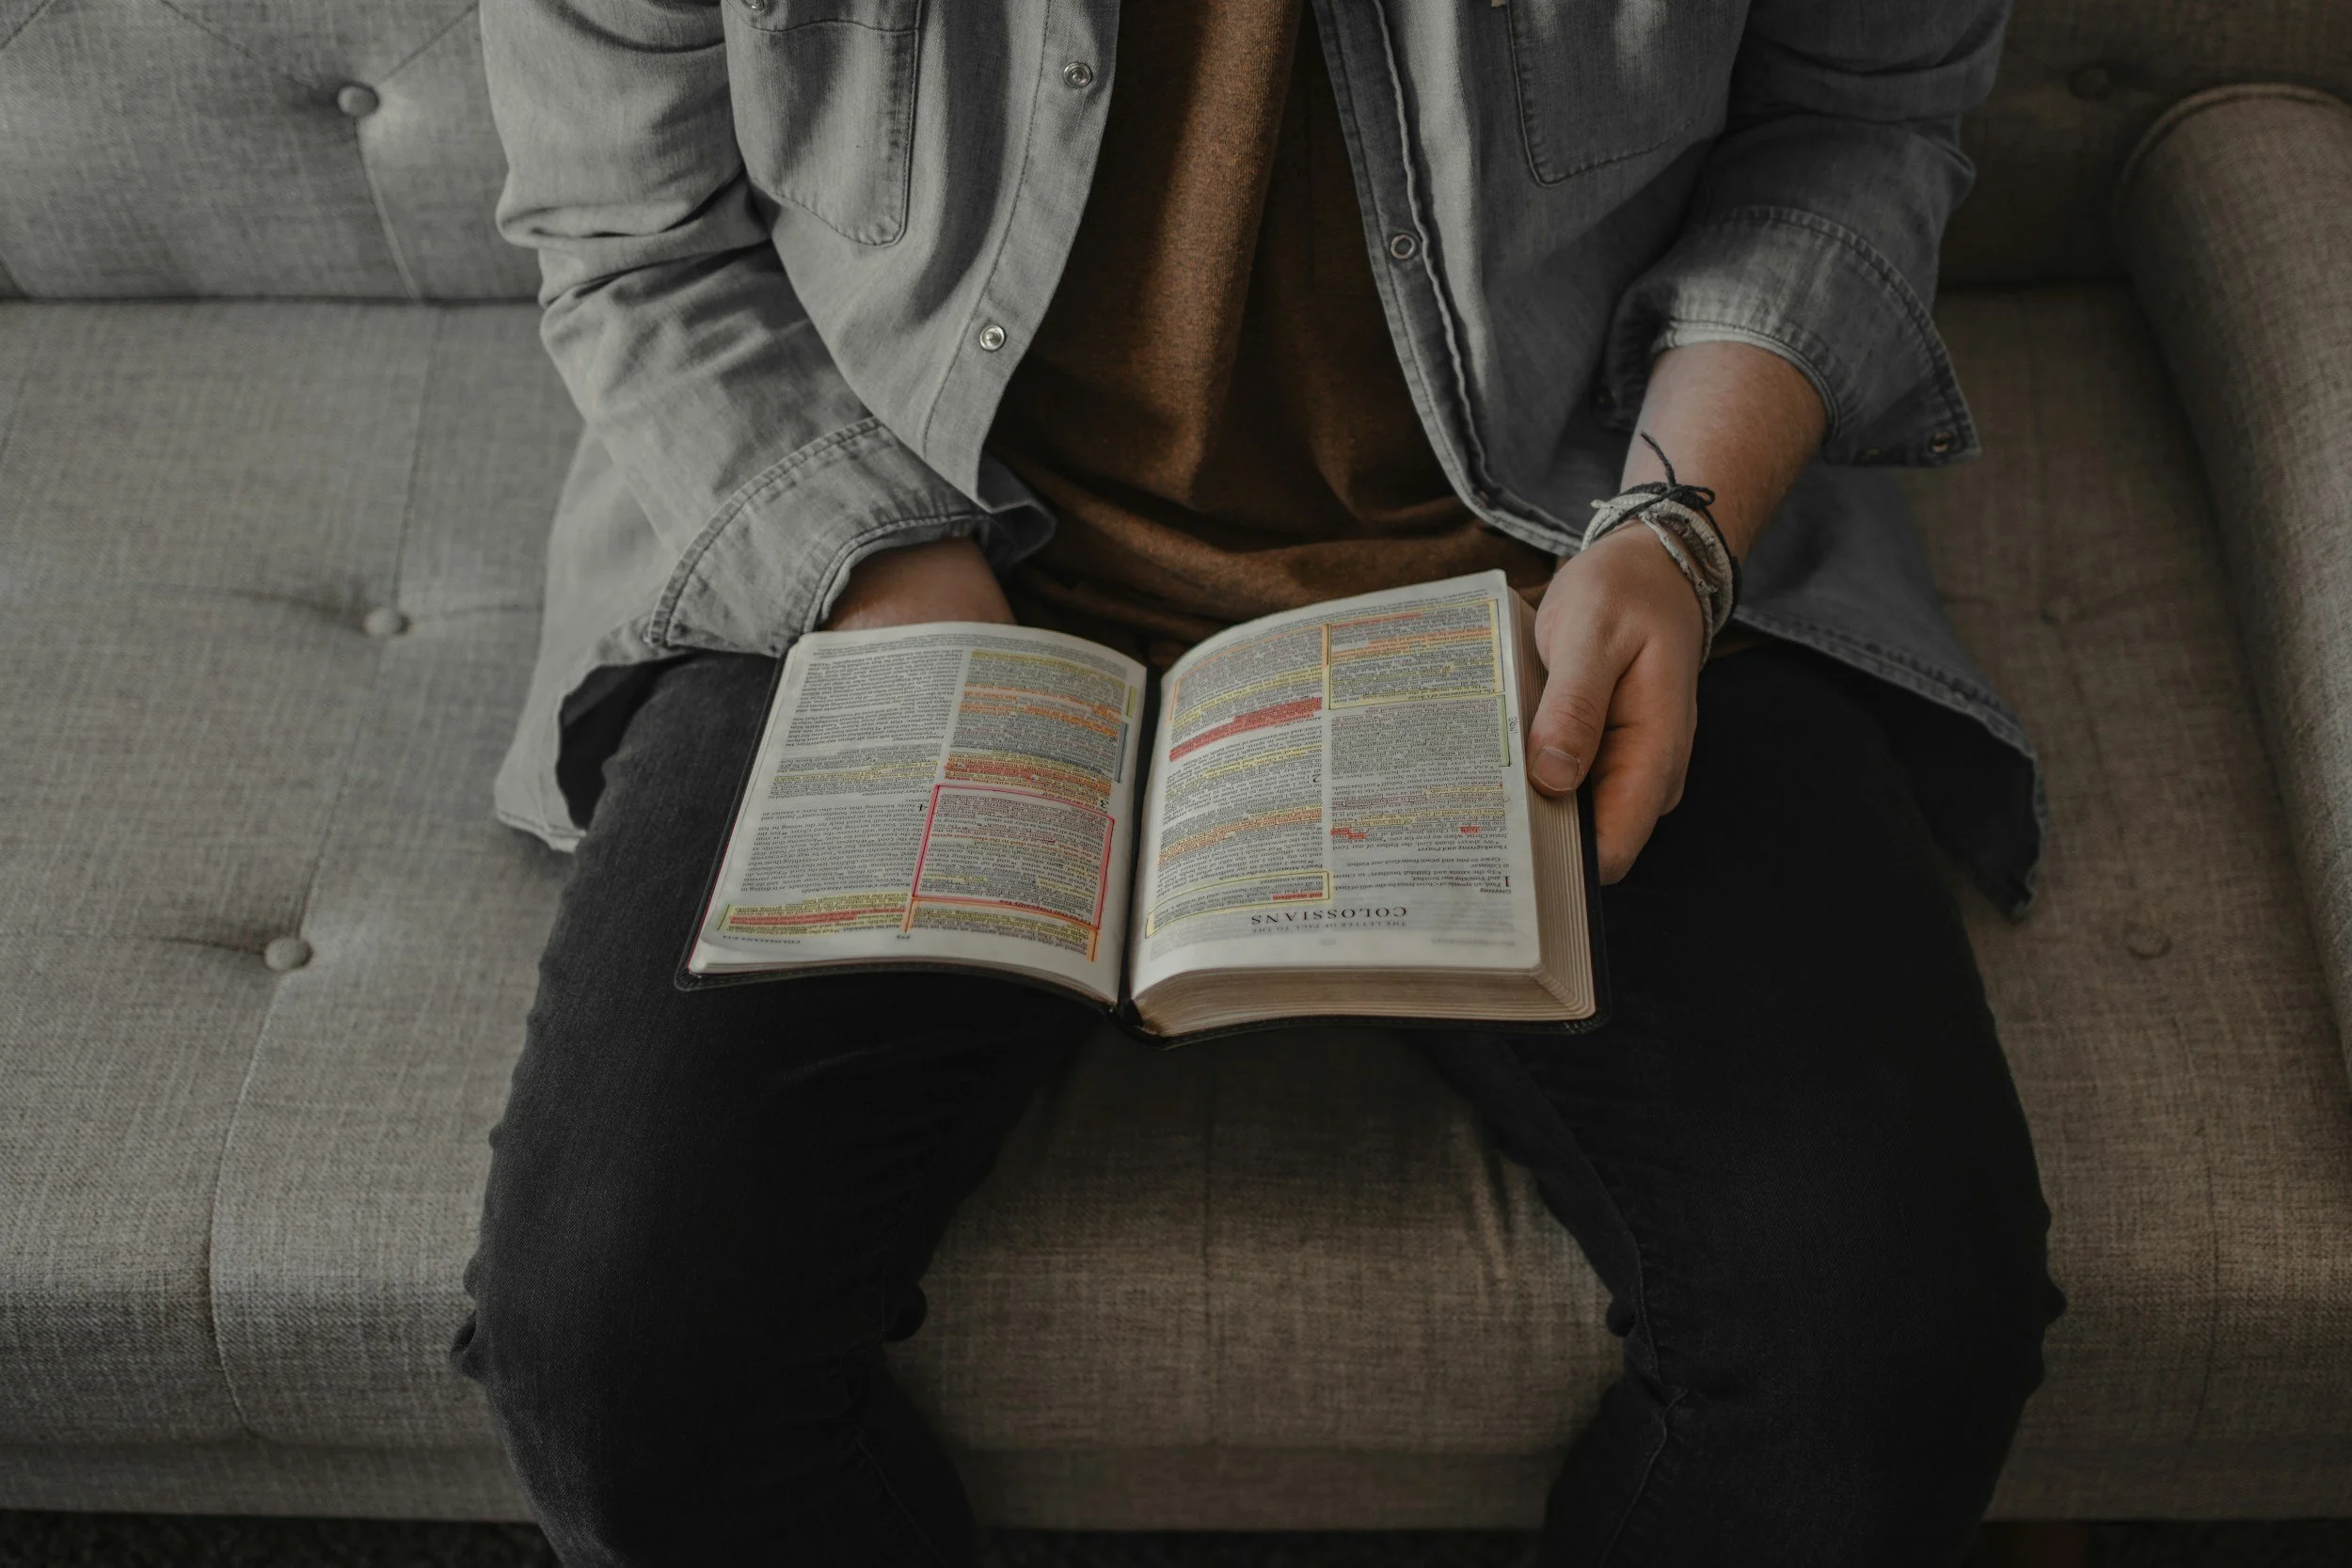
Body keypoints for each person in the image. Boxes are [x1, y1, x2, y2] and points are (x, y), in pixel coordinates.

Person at [453, 0, 2068, 1562]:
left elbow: (1852, 120)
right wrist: (881, 582)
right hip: (880, 533)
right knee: (620, 1345)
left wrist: (1677, 528)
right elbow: (629, 222)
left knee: (1887, 1335)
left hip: (1572, 546)